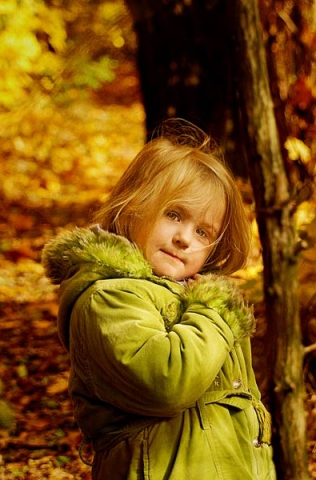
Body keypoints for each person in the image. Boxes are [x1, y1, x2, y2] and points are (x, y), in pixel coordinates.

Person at [42, 119, 276, 479]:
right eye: (174, 215)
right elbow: (166, 382)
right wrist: (212, 311)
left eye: (203, 231)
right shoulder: (108, 296)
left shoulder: (197, 298)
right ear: (134, 204)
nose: (185, 238)